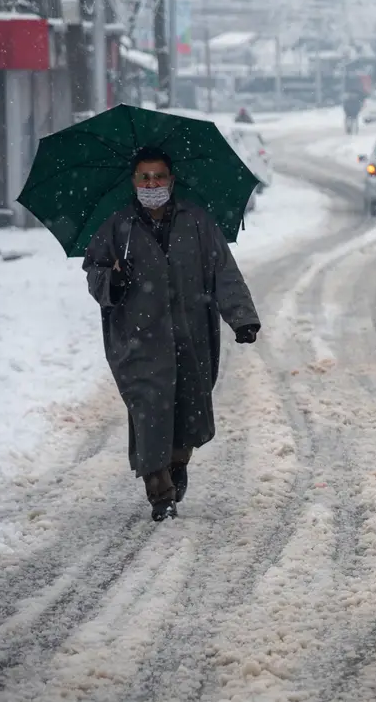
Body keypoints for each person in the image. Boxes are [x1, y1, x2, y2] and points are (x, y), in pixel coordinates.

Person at [83, 149, 261, 521]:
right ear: (134, 182)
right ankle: (159, 490)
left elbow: (223, 272)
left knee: (189, 409)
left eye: (159, 177)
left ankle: (177, 463)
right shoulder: (118, 227)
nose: (152, 184)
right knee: (148, 410)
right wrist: (112, 279)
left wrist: (242, 317)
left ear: (171, 180)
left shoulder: (197, 222)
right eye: (144, 178)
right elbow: (95, 274)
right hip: (137, 339)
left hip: (191, 334)